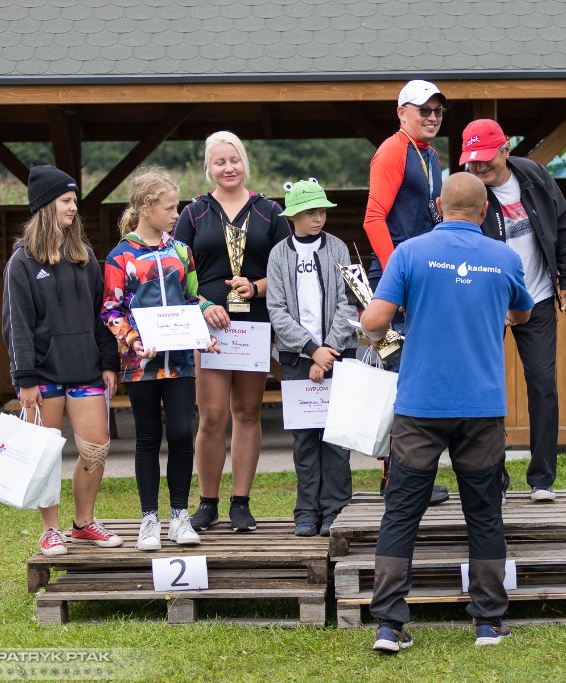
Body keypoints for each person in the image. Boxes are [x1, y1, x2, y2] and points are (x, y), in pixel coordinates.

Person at [362, 173, 533, 653]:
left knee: (402, 511)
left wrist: (374, 332)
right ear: (484, 211)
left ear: (438, 205)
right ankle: (488, 622)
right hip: (481, 406)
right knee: (484, 511)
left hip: (420, 404)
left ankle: (389, 625)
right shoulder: (504, 257)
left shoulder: (410, 252)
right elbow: (523, 314)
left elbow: (375, 320)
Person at [1, 165, 122, 556]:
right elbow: (16, 326)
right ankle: (50, 530)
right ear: (45, 205)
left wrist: (109, 362)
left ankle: (83, 524)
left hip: (86, 370)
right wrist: (25, 379)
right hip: (42, 377)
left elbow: (101, 314)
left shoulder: (84, 256)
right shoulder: (21, 262)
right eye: (66, 201)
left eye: (74, 201)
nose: (73, 208)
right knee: (45, 455)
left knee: (96, 448)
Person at [174, 131, 289, 532]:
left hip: (253, 324)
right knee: (212, 416)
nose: (228, 168)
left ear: (245, 163)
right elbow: (176, 272)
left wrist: (255, 287)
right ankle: (207, 502)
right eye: (220, 162)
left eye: (234, 160)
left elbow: (284, 272)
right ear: (208, 167)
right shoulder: (193, 214)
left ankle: (241, 502)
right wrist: (203, 306)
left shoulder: (270, 212)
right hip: (209, 328)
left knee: (247, 412)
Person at [462, 118, 566, 501]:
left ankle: (542, 478)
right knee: (485, 387)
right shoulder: (467, 190)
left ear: (506, 150)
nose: (479, 166)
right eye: (472, 159)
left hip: (538, 297)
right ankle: (493, 475)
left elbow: (563, 226)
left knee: (543, 385)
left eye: (486, 158)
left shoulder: (534, 175)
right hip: (486, 304)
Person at [102, 167, 218, 551]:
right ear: (146, 209)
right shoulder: (120, 256)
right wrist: (132, 340)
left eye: (176, 206)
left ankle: (180, 517)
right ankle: (149, 519)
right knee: (148, 437)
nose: (176, 214)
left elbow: (192, 299)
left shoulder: (181, 251)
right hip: (140, 365)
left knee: (182, 433)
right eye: (169, 208)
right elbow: (111, 310)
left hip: (181, 360)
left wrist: (204, 333)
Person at [363, 79, 450, 505]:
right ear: (402, 113)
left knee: (419, 378)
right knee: (399, 378)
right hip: (396, 278)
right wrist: (398, 276)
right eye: (423, 110)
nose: (432, 117)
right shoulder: (393, 150)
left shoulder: (430, 154)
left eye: (438, 111)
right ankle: (397, 479)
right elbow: (373, 218)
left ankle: (412, 476)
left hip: (423, 275)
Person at [267, 179, 359, 538]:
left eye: (322, 211)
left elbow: (347, 302)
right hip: (297, 358)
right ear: (292, 216)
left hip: (337, 355)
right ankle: (306, 511)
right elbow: (277, 311)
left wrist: (327, 351)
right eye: (310, 212)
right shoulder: (279, 255)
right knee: (305, 438)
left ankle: (335, 509)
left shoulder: (337, 248)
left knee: (336, 437)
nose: (318, 218)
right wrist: (311, 351)